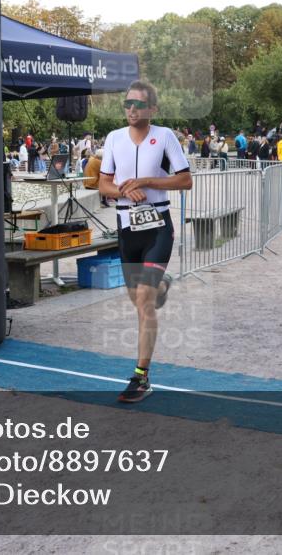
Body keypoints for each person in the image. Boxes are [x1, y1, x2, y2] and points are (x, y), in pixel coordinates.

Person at [97, 80, 192, 403]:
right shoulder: (113, 139)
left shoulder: (164, 137)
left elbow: (185, 179)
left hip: (157, 228)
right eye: (127, 104)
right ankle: (162, 284)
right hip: (127, 227)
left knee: (144, 303)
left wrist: (147, 181)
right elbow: (103, 184)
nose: (132, 109)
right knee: (137, 299)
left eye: (138, 104)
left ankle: (141, 377)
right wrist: (125, 188)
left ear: (152, 109)